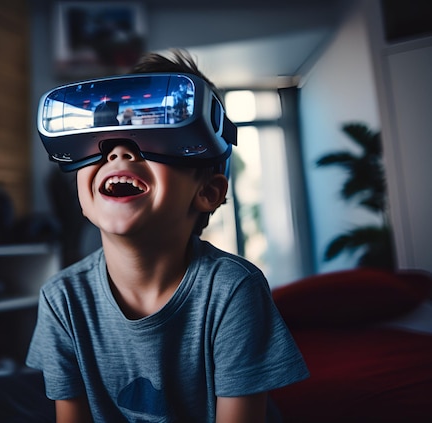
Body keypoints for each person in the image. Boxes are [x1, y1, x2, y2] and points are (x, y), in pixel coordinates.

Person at [26, 49, 309, 422]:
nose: (119, 151)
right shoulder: (61, 300)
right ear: (81, 196)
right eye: (101, 142)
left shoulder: (232, 291)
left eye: (154, 134)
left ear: (207, 192)